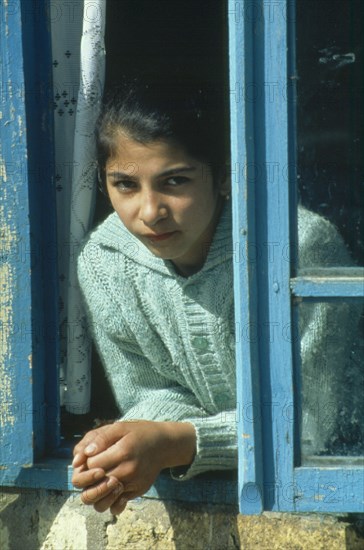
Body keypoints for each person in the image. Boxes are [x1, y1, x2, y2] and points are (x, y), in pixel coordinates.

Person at [71, 77, 361, 515]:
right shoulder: (106, 260)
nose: (149, 212)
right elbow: (151, 390)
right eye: (125, 185)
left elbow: (309, 426)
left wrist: (174, 442)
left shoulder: (297, 248)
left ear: (225, 173)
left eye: (175, 181)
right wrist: (123, 442)